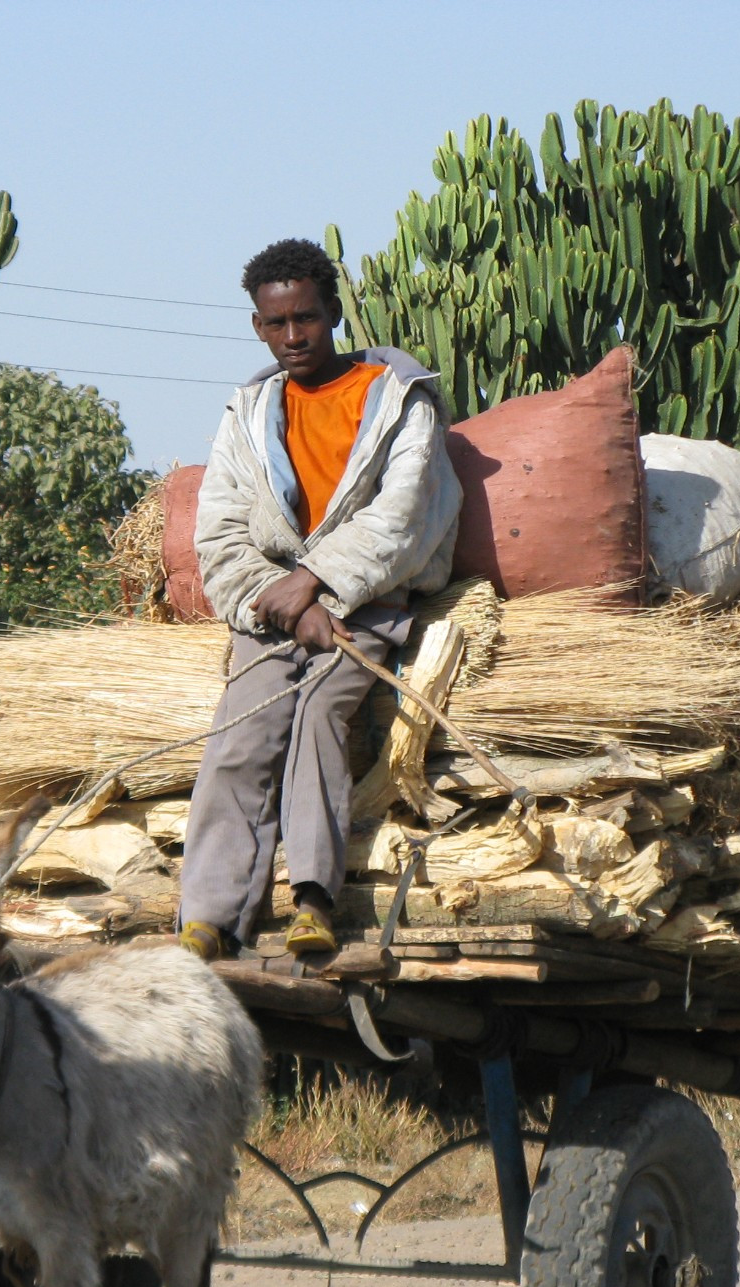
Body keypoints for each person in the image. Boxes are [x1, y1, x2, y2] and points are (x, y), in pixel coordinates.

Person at [178, 238, 462, 960]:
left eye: (306, 318)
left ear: (333, 313)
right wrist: (286, 599)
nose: (293, 337)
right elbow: (220, 531)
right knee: (239, 732)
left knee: (321, 713)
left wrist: (320, 584)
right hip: (271, 607)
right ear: (257, 327)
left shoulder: (398, 401)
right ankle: (208, 915)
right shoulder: (247, 413)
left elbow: (400, 518)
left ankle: (313, 897)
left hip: (365, 604)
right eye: (276, 324)